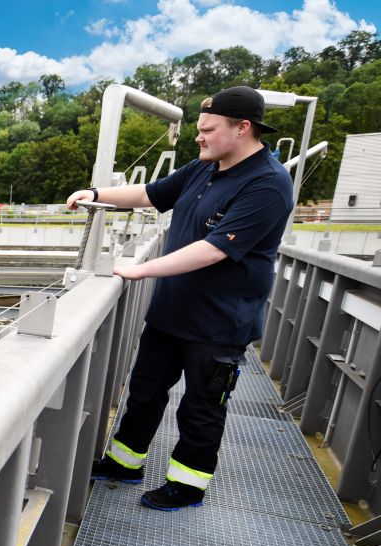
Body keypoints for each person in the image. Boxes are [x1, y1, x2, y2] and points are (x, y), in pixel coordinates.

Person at [65, 86, 294, 511]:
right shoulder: (205, 167)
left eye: (207, 129)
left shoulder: (269, 183)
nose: (198, 137)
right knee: (145, 390)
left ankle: (188, 486)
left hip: (219, 323)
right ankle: (124, 462)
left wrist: (140, 269)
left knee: (202, 406)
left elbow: (215, 248)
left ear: (242, 128)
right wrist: (96, 195)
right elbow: (150, 194)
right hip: (172, 312)